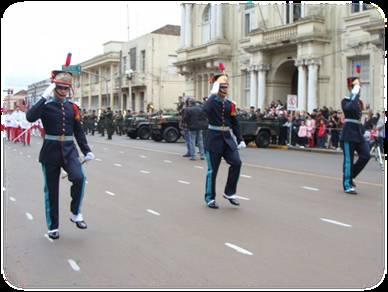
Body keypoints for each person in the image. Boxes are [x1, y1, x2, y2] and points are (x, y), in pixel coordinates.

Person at [26, 70, 95, 239]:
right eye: (60, 88)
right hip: (50, 151)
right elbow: (30, 117)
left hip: (70, 150)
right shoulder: (46, 106)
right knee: (51, 190)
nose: (63, 91)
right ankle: (53, 226)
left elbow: (79, 132)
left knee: (79, 178)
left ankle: (75, 213)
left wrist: (87, 150)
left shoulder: (73, 108)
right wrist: (43, 97)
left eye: (66, 88)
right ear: (54, 88)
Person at [202, 67, 246, 209]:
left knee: (237, 162)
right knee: (212, 170)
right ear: (217, 87)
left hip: (227, 139)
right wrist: (213, 92)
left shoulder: (230, 104)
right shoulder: (210, 102)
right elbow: (205, 109)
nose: (225, 89)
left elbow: (235, 123)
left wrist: (240, 139)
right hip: (213, 139)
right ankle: (210, 198)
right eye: (222, 86)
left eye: (226, 86)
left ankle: (230, 192)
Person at [340, 77, 370, 195]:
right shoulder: (346, 100)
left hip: (358, 133)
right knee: (348, 160)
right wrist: (355, 92)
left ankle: (350, 176)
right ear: (351, 88)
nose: (359, 89)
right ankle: (347, 185)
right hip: (348, 133)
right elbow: (350, 108)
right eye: (356, 86)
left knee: (366, 155)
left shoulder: (358, 101)